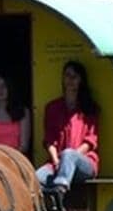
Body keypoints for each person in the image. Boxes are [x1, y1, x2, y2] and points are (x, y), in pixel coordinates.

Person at [36, 60, 99, 192]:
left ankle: (60, 189)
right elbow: (49, 139)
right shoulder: (52, 108)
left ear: (81, 80)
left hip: (84, 163)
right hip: (57, 163)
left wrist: (68, 158)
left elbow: (91, 141)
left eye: (74, 76)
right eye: (67, 75)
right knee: (36, 178)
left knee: (69, 153)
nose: (70, 79)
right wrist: (57, 161)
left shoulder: (89, 108)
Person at [0, 75, 31, 155]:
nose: (0, 90)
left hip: (17, 156)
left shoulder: (23, 111)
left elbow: (24, 146)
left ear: (10, 88)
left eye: (4, 85)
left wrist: (9, 156)